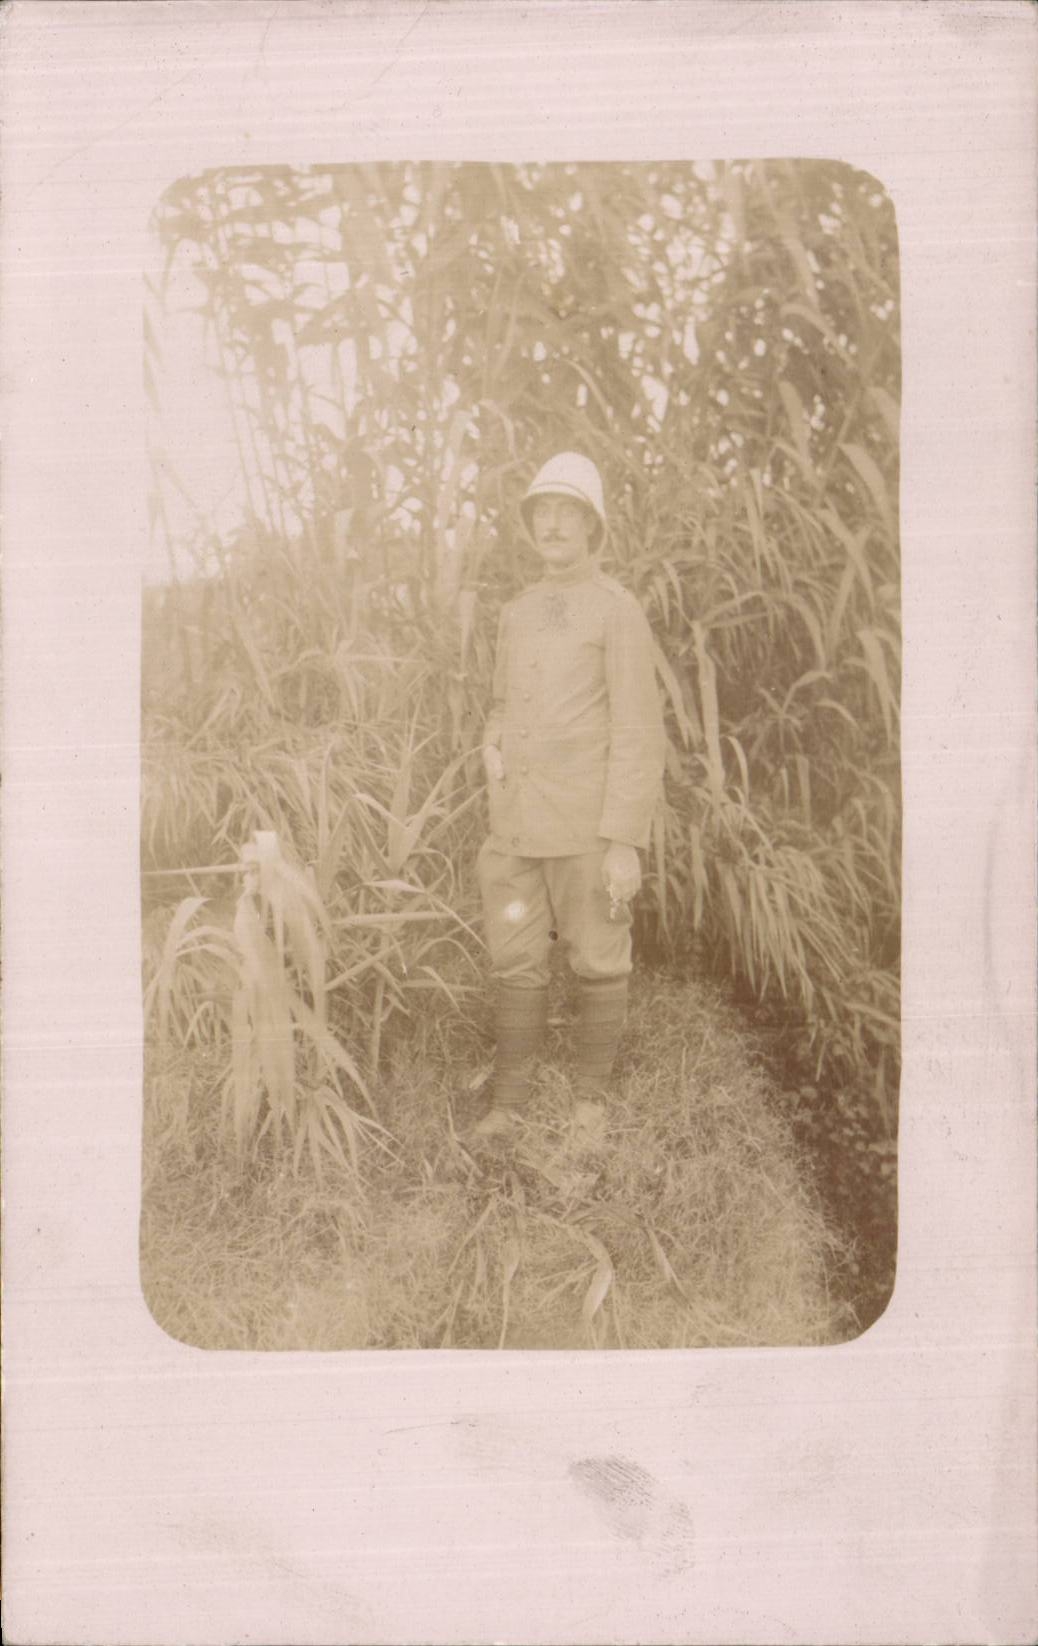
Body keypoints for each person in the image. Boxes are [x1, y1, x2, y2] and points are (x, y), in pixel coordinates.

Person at [472, 452, 666, 1140]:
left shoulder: (616, 611)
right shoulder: (517, 612)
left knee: (597, 958)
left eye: (567, 512)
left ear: (591, 525)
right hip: (516, 827)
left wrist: (623, 843)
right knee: (516, 957)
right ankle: (509, 1105)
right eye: (541, 512)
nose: (552, 525)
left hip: (586, 830)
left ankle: (589, 1104)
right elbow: (498, 702)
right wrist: (491, 740)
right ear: (531, 526)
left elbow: (640, 730)